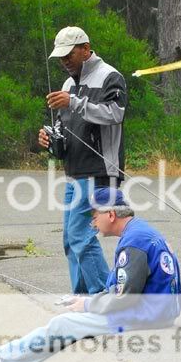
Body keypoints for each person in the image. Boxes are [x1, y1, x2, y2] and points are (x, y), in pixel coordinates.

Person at [0, 188, 181, 362]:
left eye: (94, 217)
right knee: (71, 319)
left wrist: (87, 303)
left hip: (148, 315)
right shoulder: (140, 231)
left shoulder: (134, 243)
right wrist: (89, 302)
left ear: (111, 215)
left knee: (63, 323)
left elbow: (124, 299)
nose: (92, 223)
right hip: (157, 310)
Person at [37, 26, 128, 295]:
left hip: (99, 170)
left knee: (80, 235)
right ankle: (82, 297)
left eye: (70, 54)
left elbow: (115, 113)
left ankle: (103, 296)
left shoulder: (110, 76)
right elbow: (64, 126)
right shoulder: (67, 84)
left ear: (86, 49)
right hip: (74, 171)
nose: (65, 61)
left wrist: (74, 102)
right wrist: (50, 139)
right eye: (61, 57)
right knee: (70, 238)